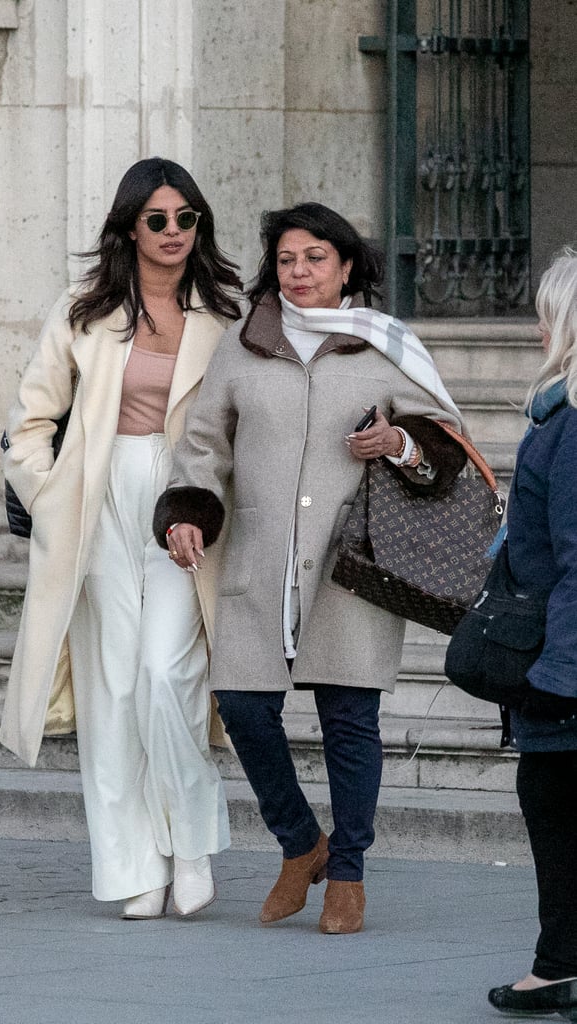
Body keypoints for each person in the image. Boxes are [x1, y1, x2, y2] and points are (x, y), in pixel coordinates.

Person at [153, 202, 467, 934]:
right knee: (244, 708)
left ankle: (348, 873)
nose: (299, 272)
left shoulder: (386, 346)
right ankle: (301, 844)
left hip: (351, 563)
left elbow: (444, 447)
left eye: (315, 258)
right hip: (258, 560)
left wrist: (396, 442)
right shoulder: (243, 343)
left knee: (349, 720)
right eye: (288, 260)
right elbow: (203, 444)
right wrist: (187, 513)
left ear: (347, 266)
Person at [0, 157, 242, 920]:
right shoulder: (84, 309)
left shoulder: (225, 315)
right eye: (157, 220)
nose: (173, 233)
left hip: (186, 504)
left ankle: (192, 841)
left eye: (186, 219)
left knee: (168, 674)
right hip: (98, 499)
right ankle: (133, 864)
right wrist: (51, 493)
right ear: (130, 227)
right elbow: (29, 421)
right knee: (114, 689)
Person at [487, 247, 577, 1019]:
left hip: (565, 666)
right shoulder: (557, 418)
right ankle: (557, 967)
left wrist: (557, 675)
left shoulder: (571, 427)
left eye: (545, 312)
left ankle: (559, 968)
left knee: (551, 802)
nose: (535, 326)